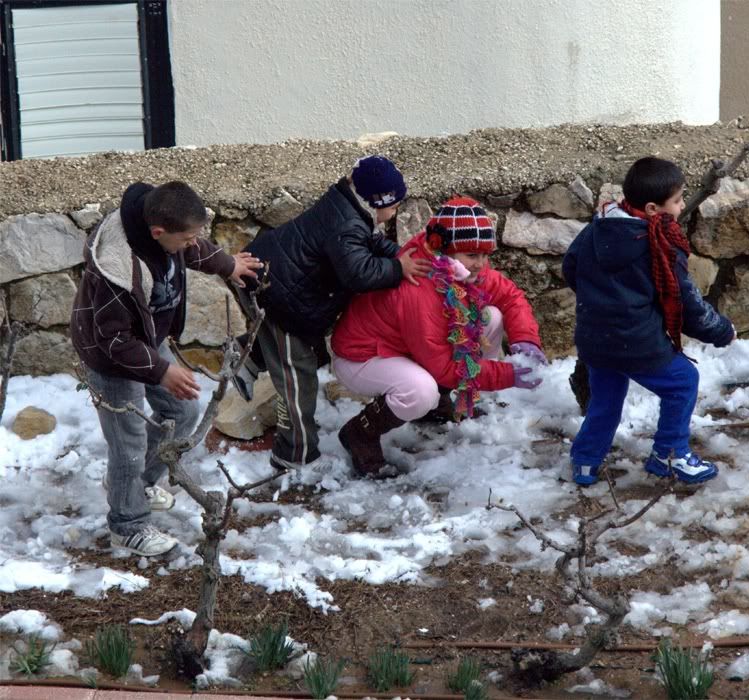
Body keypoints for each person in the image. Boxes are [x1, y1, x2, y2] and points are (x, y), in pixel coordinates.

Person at [71, 181, 262, 556]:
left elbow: (191, 246)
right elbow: (114, 341)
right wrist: (160, 371)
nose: (194, 244)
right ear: (158, 233)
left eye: (196, 236)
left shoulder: (161, 221)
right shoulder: (116, 266)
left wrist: (227, 264)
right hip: (110, 356)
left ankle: (135, 483)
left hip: (146, 338)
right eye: (187, 238)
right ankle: (127, 525)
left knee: (183, 411)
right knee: (128, 442)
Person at [235, 155, 431, 471]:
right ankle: (294, 454)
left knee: (294, 355)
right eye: (393, 206)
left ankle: (245, 354)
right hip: (278, 298)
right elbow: (359, 273)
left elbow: (372, 244)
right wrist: (397, 267)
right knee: (297, 377)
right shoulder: (347, 224)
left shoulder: (348, 206)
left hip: (285, 286)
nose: (395, 212)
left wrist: (400, 256)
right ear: (377, 201)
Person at [330, 196, 546, 478]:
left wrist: (526, 340)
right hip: (364, 355)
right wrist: (509, 375)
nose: (481, 264)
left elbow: (509, 295)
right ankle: (360, 434)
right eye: (473, 255)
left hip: (410, 348)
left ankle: (438, 405)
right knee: (421, 390)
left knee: (490, 318)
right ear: (447, 251)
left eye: (484, 254)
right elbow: (445, 367)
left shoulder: (460, 268)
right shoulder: (420, 287)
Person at [562, 157, 735, 487]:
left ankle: (585, 460)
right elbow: (686, 304)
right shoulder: (659, 245)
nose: (683, 205)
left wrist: (601, 302)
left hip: (594, 340)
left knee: (606, 400)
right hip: (637, 342)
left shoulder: (599, 226)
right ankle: (669, 455)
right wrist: (721, 331)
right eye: (679, 200)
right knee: (683, 381)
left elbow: (571, 267)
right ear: (654, 208)